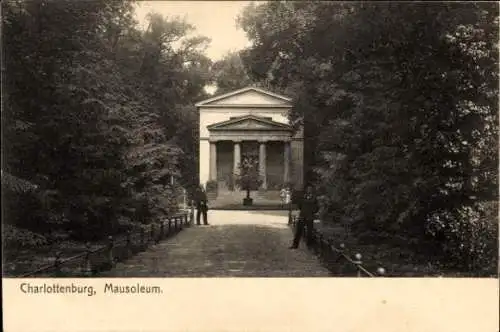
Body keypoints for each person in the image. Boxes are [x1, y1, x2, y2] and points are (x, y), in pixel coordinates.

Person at [289, 184, 318, 249]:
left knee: (309, 232)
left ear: (312, 190)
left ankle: (309, 246)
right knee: (298, 231)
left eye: (310, 189)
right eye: (308, 189)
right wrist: (303, 210)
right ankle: (295, 245)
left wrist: (312, 212)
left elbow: (316, 207)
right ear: (306, 190)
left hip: (310, 216)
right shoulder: (303, 196)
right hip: (302, 215)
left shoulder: (314, 197)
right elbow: (300, 205)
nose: (309, 190)